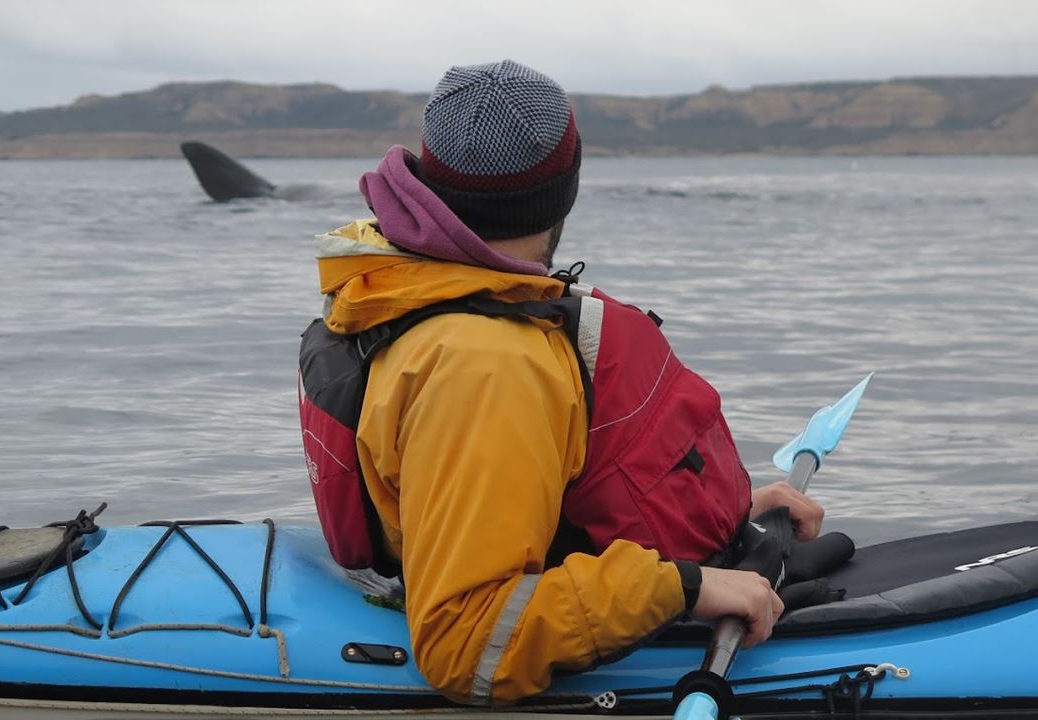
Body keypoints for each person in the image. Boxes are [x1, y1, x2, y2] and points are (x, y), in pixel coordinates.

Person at [298, 59, 824, 705]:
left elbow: (536, 498)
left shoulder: (433, 291)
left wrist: (724, 517)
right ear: (565, 188)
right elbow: (468, 644)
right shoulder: (486, 362)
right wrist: (683, 588)